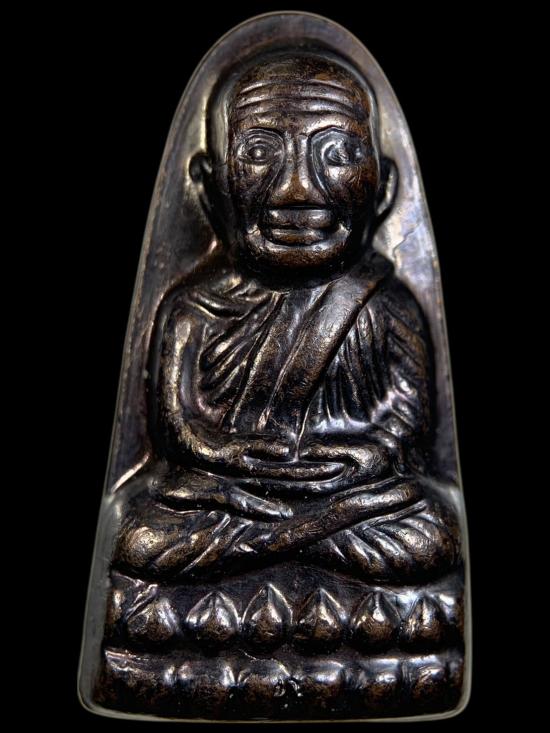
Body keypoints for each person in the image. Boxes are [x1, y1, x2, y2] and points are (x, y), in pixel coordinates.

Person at [114, 51, 459, 585]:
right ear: (209, 187)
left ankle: (274, 545)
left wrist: (366, 456)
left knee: (429, 533)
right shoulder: (193, 308)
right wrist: (227, 454)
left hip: (348, 493)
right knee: (141, 534)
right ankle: (301, 539)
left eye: (335, 154)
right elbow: (178, 428)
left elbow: (406, 422)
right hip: (231, 494)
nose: (297, 190)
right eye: (259, 153)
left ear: (383, 189)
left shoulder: (384, 304)